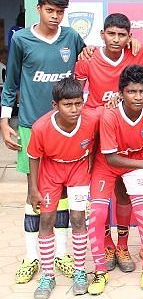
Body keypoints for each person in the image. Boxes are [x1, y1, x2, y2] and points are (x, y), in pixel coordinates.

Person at [1, 0, 87, 284]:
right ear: (38, 8)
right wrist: (4, 121)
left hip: (67, 131)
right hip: (30, 127)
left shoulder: (72, 37)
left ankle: (61, 253)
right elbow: (10, 83)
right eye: (50, 10)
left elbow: (91, 66)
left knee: (62, 195)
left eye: (60, 12)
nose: (55, 17)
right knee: (34, 194)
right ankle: (31, 256)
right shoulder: (23, 39)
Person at [75, 13, 143, 273]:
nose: (117, 39)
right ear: (102, 34)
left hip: (126, 137)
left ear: (129, 36)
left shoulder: (137, 54)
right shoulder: (88, 59)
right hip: (98, 136)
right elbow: (76, 96)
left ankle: (122, 245)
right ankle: (106, 244)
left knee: (123, 192)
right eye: (112, 34)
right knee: (100, 197)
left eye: (122, 34)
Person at [87, 65, 143, 295]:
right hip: (109, 164)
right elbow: (112, 158)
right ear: (121, 92)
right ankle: (100, 271)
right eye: (132, 91)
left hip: (137, 160)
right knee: (97, 215)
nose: (138, 97)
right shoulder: (110, 114)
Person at [27, 78, 100, 298]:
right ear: (55, 105)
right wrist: (33, 189)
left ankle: (80, 271)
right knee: (47, 220)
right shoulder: (40, 127)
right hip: (51, 171)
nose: (74, 109)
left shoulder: (91, 119)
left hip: (78, 169)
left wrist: (92, 158)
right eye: (68, 105)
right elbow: (33, 157)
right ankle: (48, 275)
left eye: (78, 103)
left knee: (78, 219)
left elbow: (106, 124)